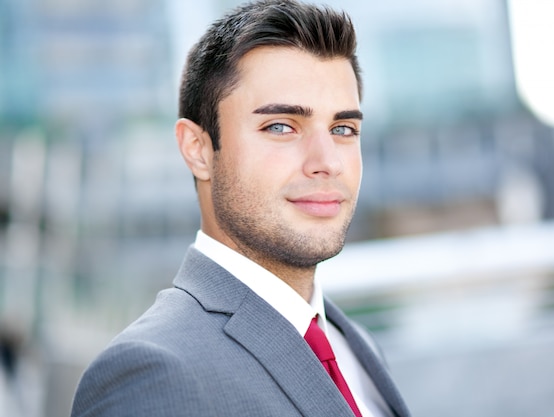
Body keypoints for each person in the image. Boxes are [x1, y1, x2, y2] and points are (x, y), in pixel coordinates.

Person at [71, 1, 411, 416]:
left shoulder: (355, 345)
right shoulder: (152, 373)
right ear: (198, 150)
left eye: (343, 129)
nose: (328, 161)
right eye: (281, 127)